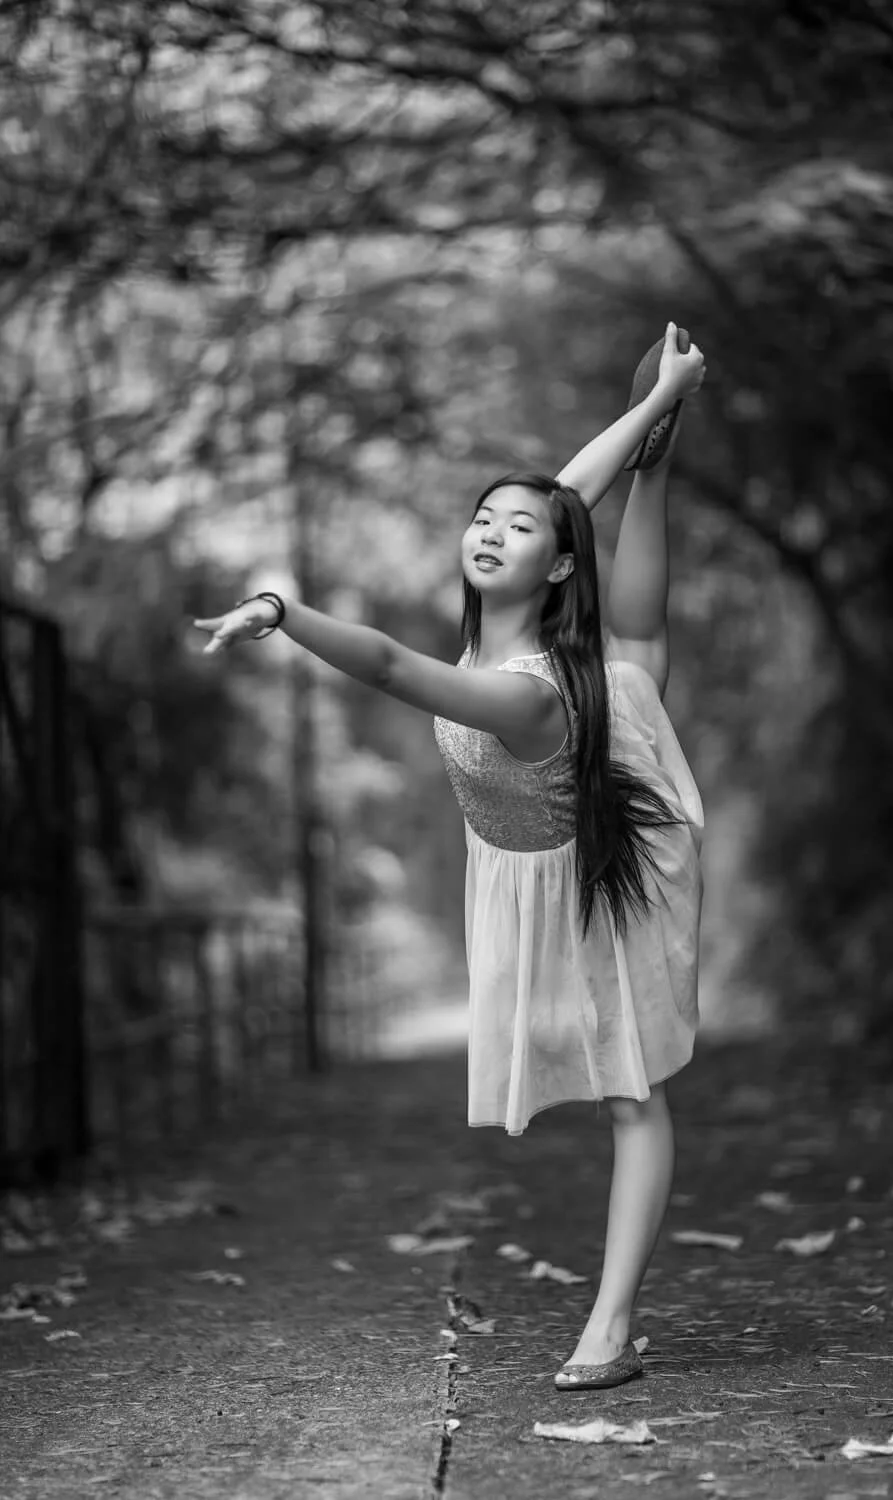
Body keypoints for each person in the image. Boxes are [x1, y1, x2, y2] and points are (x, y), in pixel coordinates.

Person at [194, 322, 707, 1392]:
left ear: (555, 561)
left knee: (633, 1093)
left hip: (602, 854)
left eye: (514, 529)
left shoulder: (515, 688)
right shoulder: (499, 618)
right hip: (527, 839)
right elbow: (568, 494)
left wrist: (280, 610)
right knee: (639, 651)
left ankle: (609, 1326)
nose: (488, 532)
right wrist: (649, 413)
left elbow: (383, 663)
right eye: (480, 518)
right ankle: (657, 464)